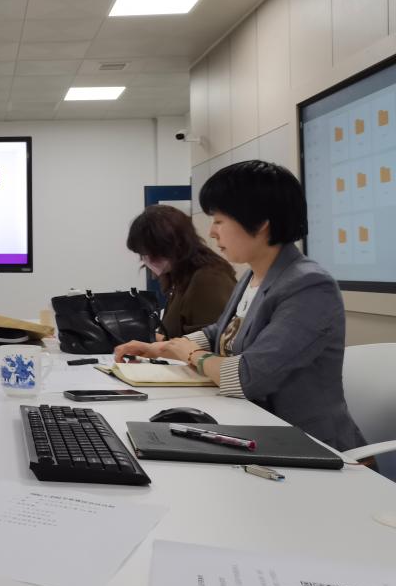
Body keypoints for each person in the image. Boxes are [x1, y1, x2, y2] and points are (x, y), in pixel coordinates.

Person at [115, 160, 366, 452]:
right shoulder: (252, 275)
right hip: (255, 429)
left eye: (219, 220)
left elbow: (247, 378)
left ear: (260, 223)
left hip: (307, 443)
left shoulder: (309, 286)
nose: (212, 232)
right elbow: (219, 333)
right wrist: (160, 349)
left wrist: (191, 354)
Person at [126, 204, 236, 337]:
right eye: (142, 254)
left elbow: (211, 341)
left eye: (150, 253)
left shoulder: (209, 278)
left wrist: (161, 343)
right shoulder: (181, 277)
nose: (146, 260)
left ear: (173, 245)